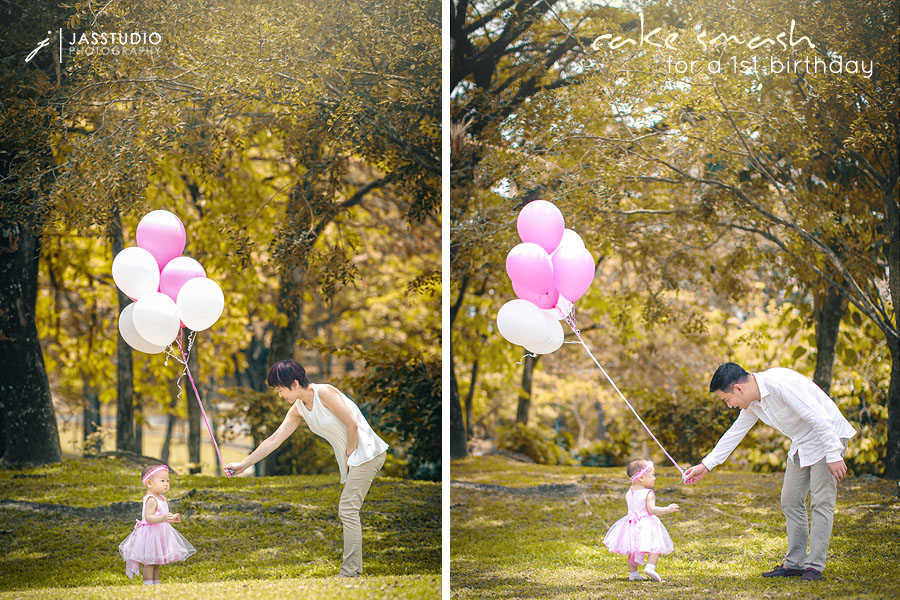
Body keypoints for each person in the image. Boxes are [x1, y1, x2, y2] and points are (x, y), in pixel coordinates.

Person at [683, 362, 857, 581]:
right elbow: (736, 432)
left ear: (738, 389)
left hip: (827, 435)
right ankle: (794, 564)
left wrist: (833, 453)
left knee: (821, 501)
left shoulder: (780, 383)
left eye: (726, 400)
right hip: (802, 442)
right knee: (790, 499)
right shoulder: (753, 402)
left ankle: (814, 566)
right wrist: (706, 465)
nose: (729, 406)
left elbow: (818, 417)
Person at [225, 359, 389, 578]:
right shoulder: (299, 409)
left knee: (348, 508)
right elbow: (274, 439)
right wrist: (243, 465)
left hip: (367, 452)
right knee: (348, 509)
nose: (279, 395)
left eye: (280, 389)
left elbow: (352, 424)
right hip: (354, 457)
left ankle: (350, 573)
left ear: (294, 384)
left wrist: (350, 457)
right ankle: (353, 570)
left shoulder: (325, 393)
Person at [118, 464, 196, 585]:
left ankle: (156, 584)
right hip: (151, 535)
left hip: (160, 534)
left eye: (168, 481)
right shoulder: (151, 499)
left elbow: (163, 515)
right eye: (162, 481)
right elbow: (148, 518)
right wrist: (163, 518)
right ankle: (148, 585)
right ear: (149, 483)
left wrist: (171, 518)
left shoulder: (161, 498)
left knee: (156, 562)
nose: (166, 484)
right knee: (149, 562)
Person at [602, 459, 678, 582]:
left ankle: (633, 573)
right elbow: (652, 510)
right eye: (653, 475)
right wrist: (668, 509)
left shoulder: (628, 493)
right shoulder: (649, 493)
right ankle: (650, 567)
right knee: (654, 547)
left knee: (633, 549)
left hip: (631, 524)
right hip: (647, 524)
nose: (655, 478)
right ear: (642, 478)